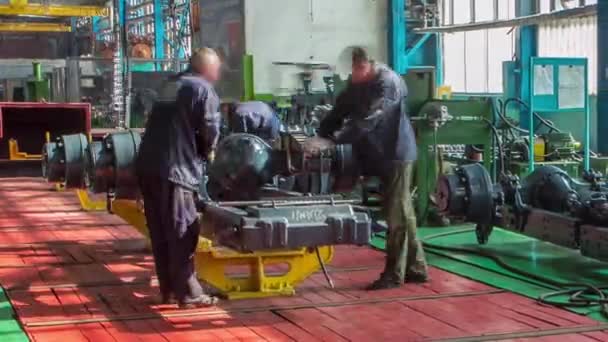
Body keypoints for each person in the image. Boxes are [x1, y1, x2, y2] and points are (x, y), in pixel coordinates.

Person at [318, 47, 428, 290]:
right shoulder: (358, 83)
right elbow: (340, 109)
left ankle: (394, 274)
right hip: (378, 154)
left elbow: (367, 121)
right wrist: (320, 134)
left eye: (353, 72)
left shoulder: (387, 84)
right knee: (403, 212)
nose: (350, 78)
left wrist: (333, 140)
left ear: (365, 66)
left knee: (396, 215)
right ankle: (417, 267)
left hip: (397, 154)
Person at [136, 47, 222, 308]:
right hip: (175, 171)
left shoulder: (170, 84)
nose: (218, 74)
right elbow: (210, 130)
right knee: (182, 230)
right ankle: (189, 294)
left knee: (160, 232)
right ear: (207, 68)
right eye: (217, 68)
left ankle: (169, 290)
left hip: (147, 166)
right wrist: (209, 153)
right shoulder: (203, 89)